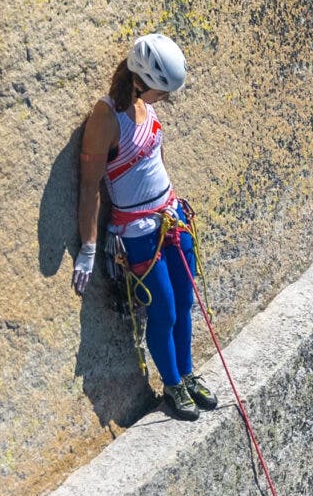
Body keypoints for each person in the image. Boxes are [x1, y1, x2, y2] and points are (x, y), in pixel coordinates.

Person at [73, 33, 216, 420]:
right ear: (140, 80)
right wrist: (88, 249)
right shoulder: (105, 119)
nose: (163, 101)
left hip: (171, 215)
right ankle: (171, 384)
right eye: (161, 92)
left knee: (185, 302)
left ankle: (186, 375)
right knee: (164, 311)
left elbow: (155, 157)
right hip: (138, 231)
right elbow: (90, 186)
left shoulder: (142, 103)